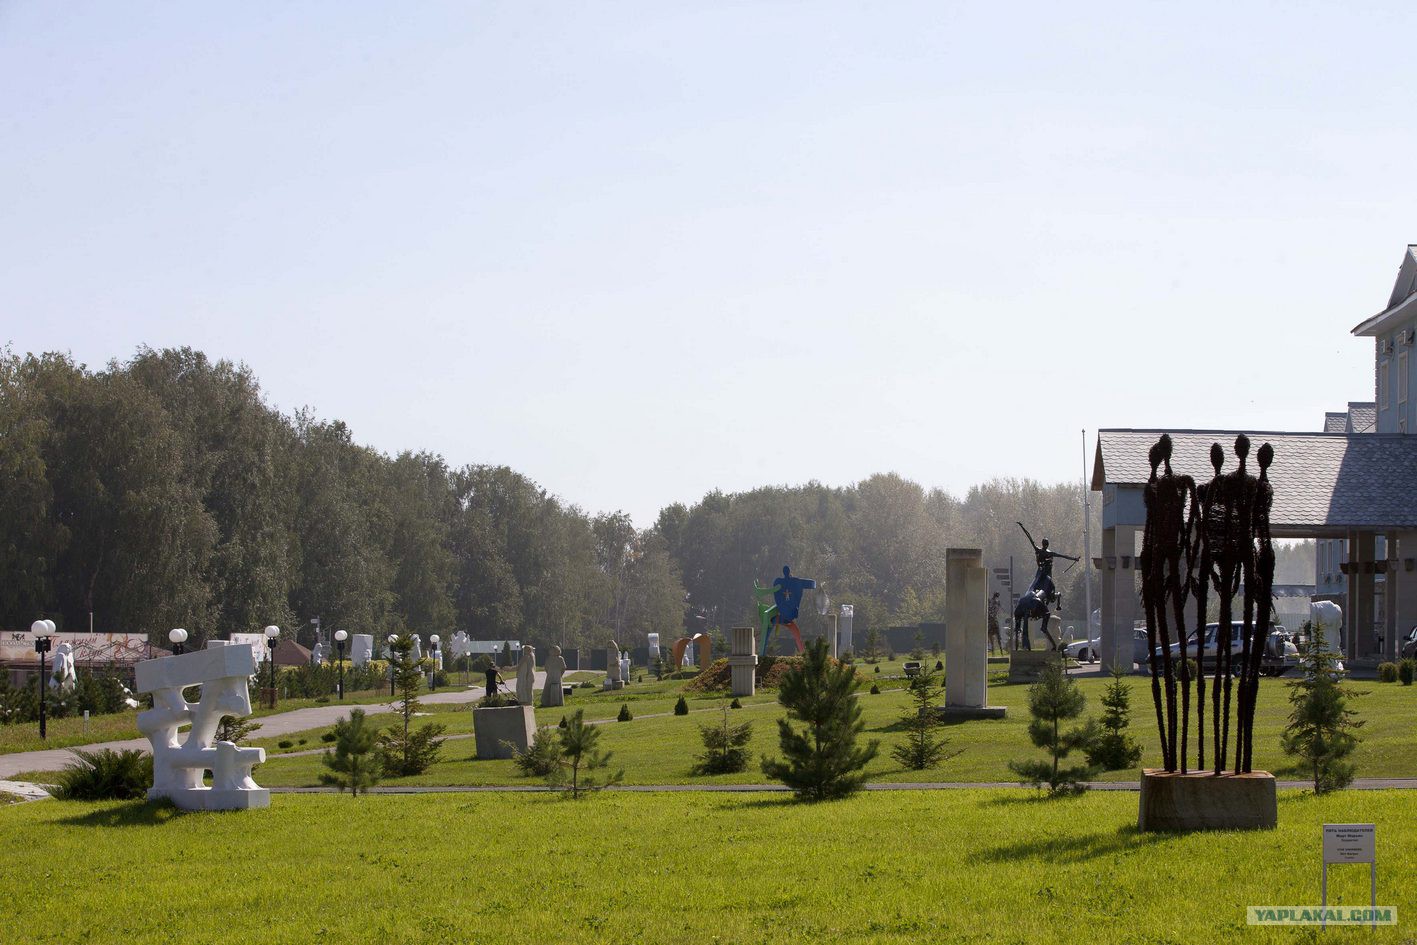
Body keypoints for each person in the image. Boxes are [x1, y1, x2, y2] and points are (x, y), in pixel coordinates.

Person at [1017, 522, 1078, 609]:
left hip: (1046, 574)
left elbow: (1063, 556)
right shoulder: (1039, 550)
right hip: (1040, 573)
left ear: (1047, 545)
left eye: (1046, 544)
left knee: (1050, 593)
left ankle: (1057, 598)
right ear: (1043, 544)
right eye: (1044, 544)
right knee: (1033, 586)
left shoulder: (1049, 553)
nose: (1045, 545)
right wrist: (1022, 527)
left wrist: (1074, 558)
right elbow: (1030, 538)